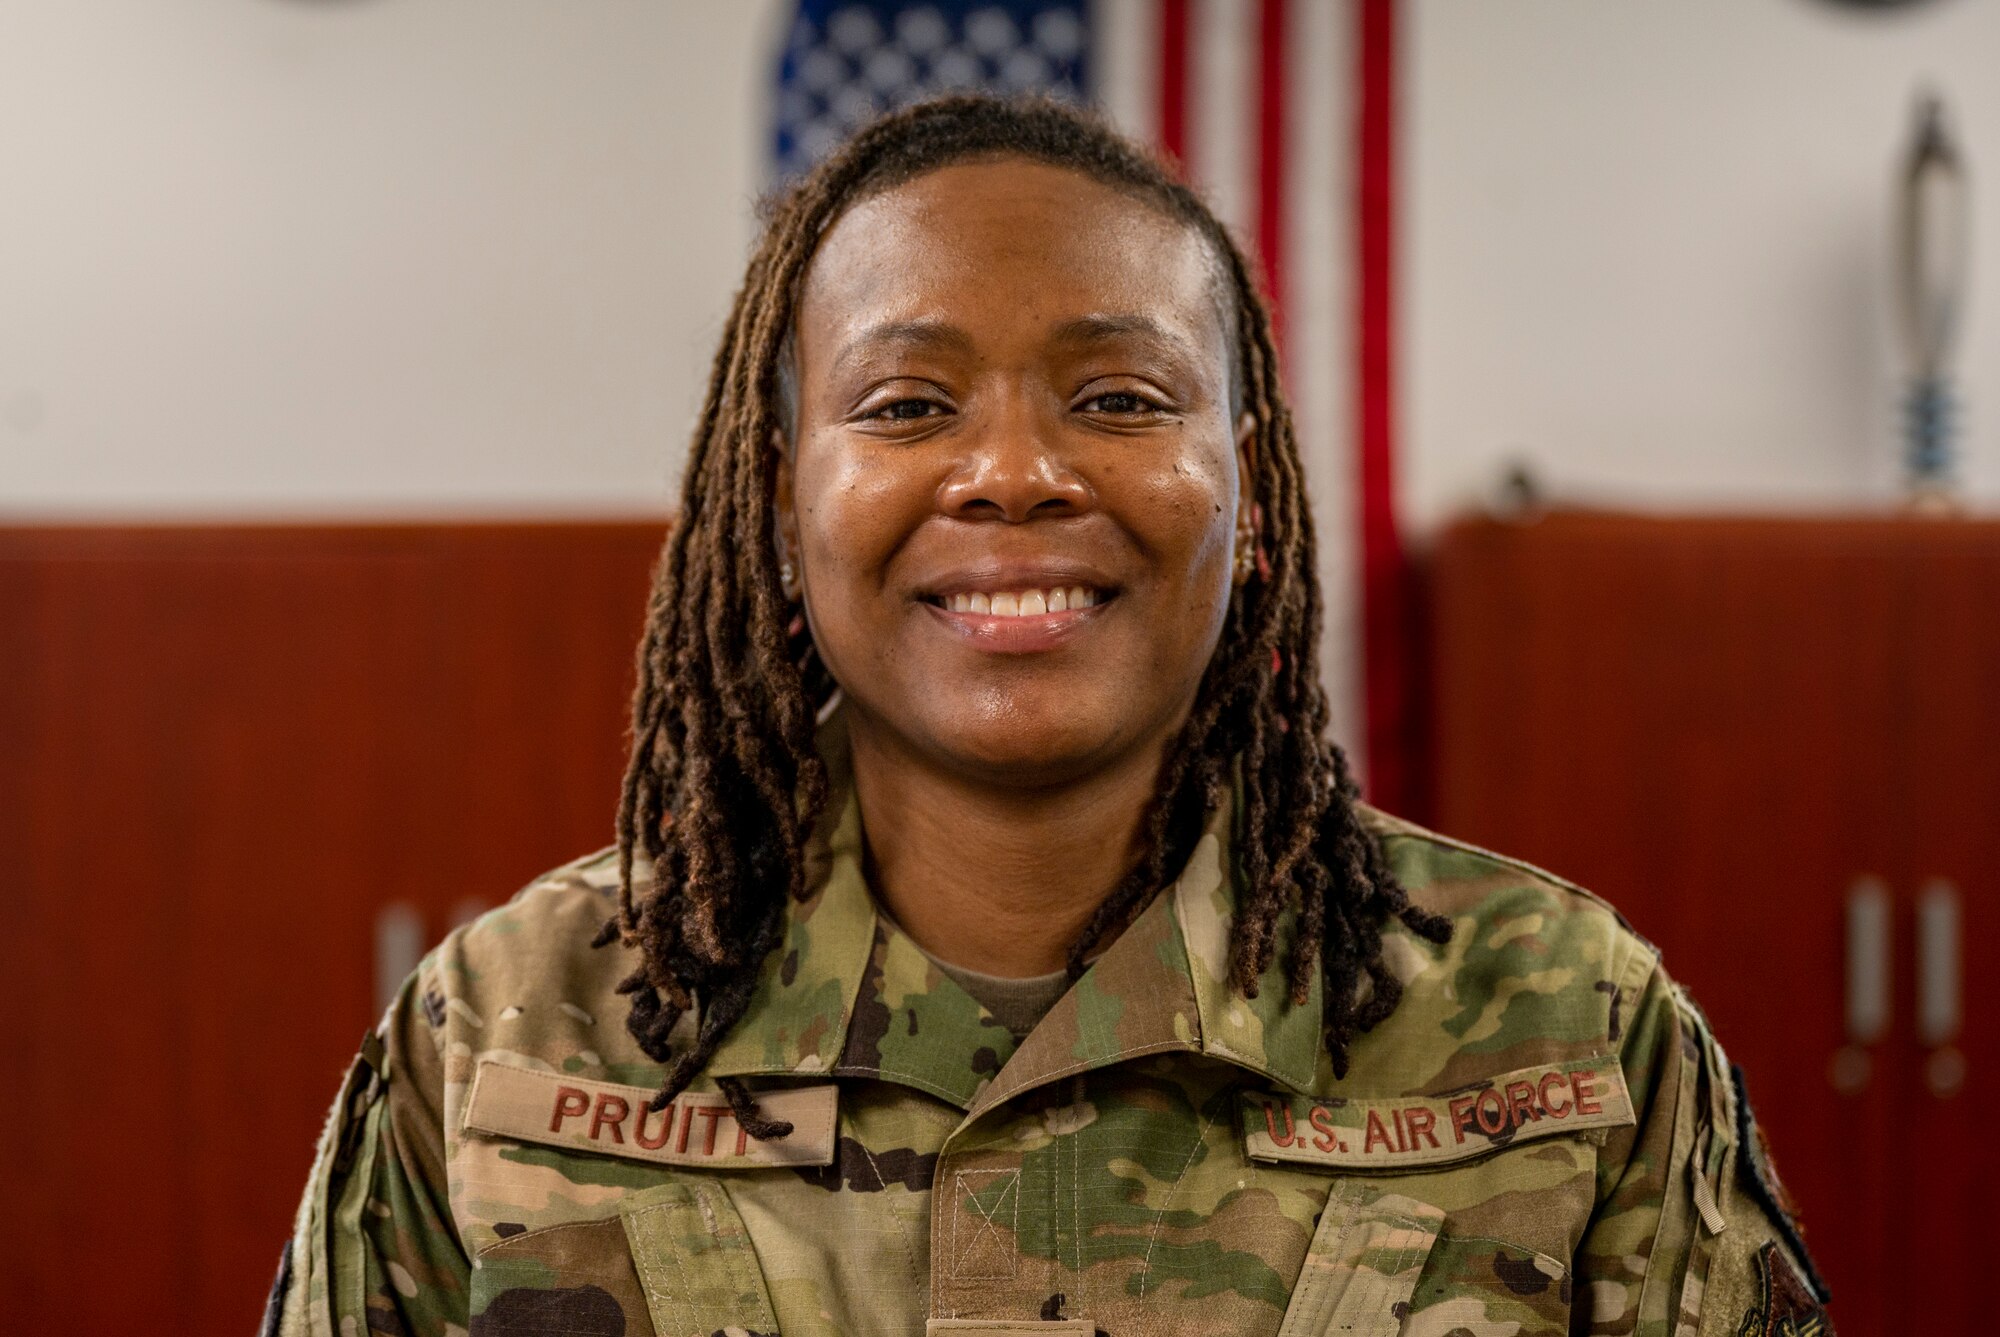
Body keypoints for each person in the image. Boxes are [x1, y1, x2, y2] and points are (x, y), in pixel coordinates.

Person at [268, 95, 1831, 1337]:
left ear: (1255, 503)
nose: (1014, 470)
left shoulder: (1570, 1028)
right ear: (778, 511)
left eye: (1121, 397)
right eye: (906, 404)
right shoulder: (501, 1038)